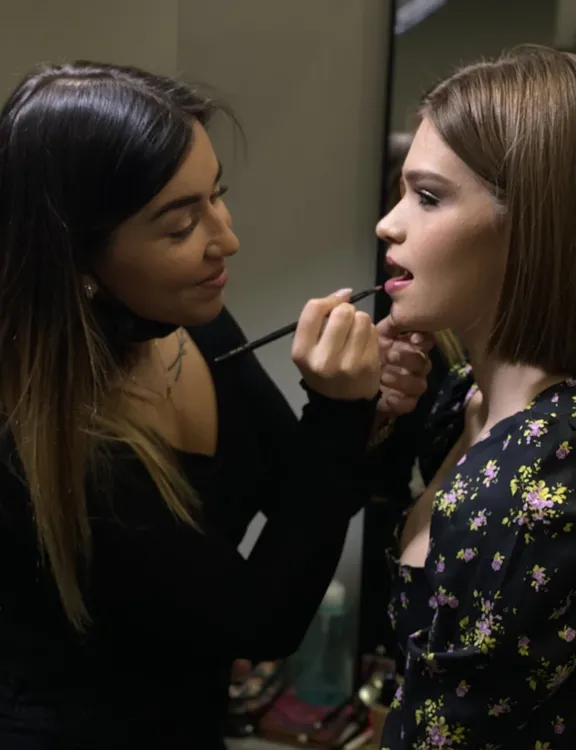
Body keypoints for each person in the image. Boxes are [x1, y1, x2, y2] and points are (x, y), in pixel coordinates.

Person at [0, 61, 431, 748]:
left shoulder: (184, 322)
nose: (225, 238)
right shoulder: (44, 439)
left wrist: (372, 408)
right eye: (180, 227)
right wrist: (339, 411)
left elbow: (298, 492)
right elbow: (261, 621)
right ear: (77, 263)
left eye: (216, 196)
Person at [376, 45, 576, 748]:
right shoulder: (463, 400)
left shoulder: (548, 478)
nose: (389, 224)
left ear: (532, 223)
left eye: (428, 197)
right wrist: (373, 419)